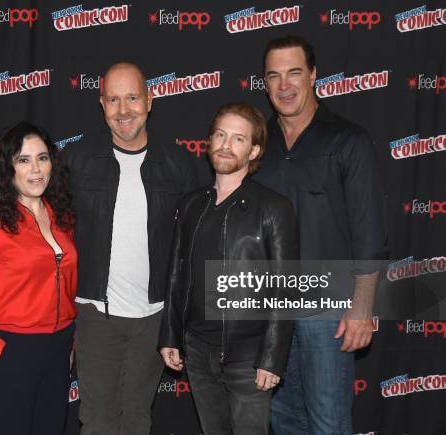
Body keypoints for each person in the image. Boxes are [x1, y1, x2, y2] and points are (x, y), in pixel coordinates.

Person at [254, 35, 387, 434]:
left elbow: (369, 231)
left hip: (328, 311)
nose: (284, 85)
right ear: (264, 83)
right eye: (274, 76)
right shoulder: (259, 145)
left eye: (294, 72)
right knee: (283, 419)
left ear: (313, 75)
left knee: (328, 422)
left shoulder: (348, 140)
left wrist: (362, 307)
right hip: (271, 310)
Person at [60, 62, 198, 435]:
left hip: (154, 319)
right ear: (102, 104)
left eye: (132, 98)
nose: (123, 111)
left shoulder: (180, 165)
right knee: (99, 421)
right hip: (95, 316)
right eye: (114, 100)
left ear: (150, 100)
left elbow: (196, 245)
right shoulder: (75, 162)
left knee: (138, 418)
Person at [159, 102, 298, 435]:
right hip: (196, 350)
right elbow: (176, 276)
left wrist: (272, 358)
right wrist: (170, 336)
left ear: (254, 151)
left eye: (238, 139)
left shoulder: (274, 208)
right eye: (220, 134)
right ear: (209, 141)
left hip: (249, 357)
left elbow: (286, 289)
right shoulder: (192, 204)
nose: (225, 144)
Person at [0, 122, 77, 435]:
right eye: (23, 160)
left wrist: (69, 341)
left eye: (42, 158)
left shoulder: (61, 216)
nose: (35, 169)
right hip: (10, 349)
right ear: (6, 168)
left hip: (59, 349)